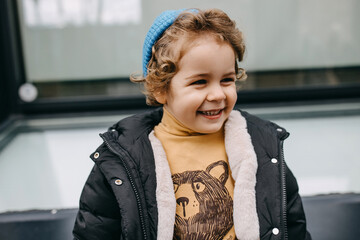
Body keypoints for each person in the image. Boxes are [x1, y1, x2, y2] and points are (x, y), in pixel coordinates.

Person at [73, 8, 311, 240]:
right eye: (200, 82)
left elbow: (292, 227)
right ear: (160, 88)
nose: (218, 94)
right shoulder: (123, 157)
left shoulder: (261, 146)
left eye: (227, 79)